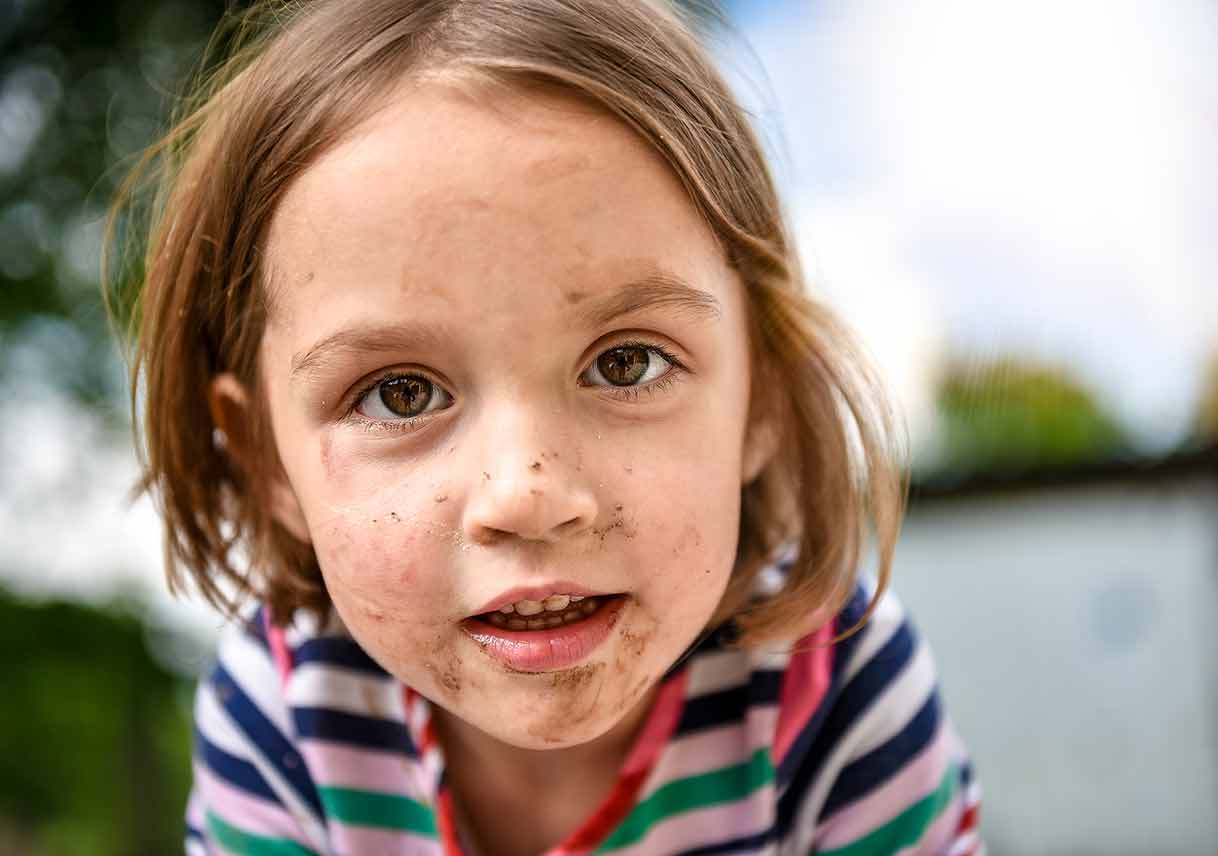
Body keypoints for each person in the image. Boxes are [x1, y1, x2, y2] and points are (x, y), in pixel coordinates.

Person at [108, 0, 982, 853]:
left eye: (626, 364)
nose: (526, 495)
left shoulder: (837, 690)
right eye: (401, 394)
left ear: (765, 401)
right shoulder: (284, 717)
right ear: (263, 458)